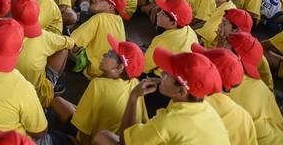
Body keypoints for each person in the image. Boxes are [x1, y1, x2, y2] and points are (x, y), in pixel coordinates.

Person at [92, 48, 229, 145]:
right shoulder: (206, 109)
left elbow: (125, 141)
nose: (161, 74)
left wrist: (133, 97)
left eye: (167, 74)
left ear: (182, 91)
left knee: (102, 138)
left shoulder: (168, 122)